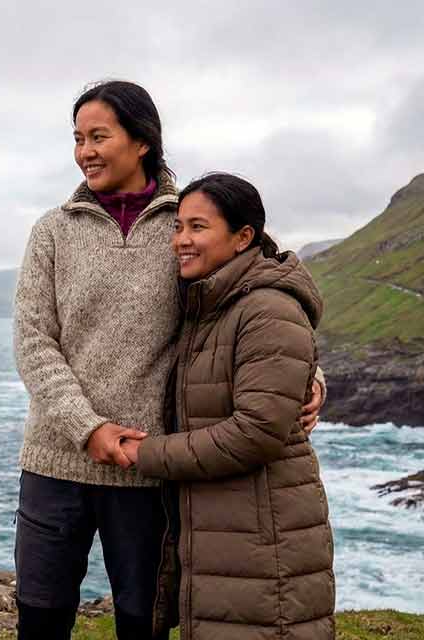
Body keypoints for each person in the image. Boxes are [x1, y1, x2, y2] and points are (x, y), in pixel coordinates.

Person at [11, 80, 324, 640]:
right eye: (78, 138)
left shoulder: (189, 223)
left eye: (99, 136)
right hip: (54, 459)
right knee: (40, 612)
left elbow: (251, 298)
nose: (85, 151)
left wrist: (307, 374)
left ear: (141, 143)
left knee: (143, 618)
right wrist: (89, 429)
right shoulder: (52, 231)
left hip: (147, 465)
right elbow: (34, 341)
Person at [123, 173, 335, 639]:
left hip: (263, 535)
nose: (181, 240)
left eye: (198, 228)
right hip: (229, 532)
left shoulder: (266, 307)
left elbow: (256, 432)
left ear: (243, 238)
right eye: (178, 227)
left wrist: (147, 454)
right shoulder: (209, 304)